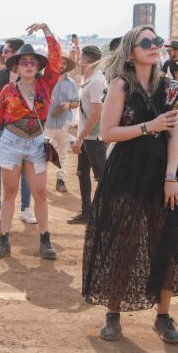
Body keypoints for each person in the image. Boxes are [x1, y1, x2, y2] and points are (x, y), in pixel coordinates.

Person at [82, 25, 178, 344]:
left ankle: (163, 316)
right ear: (131, 52)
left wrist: (171, 177)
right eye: (147, 42)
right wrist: (148, 126)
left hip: (163, 174)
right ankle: (113, 315)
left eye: (157, 41)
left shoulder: (170, 87)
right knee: (122, 242)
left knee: (167, 243)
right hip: (127, 171)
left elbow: (174, 137)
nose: (155, 45)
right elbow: (108, 132)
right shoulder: (120, 85)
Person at [0, 22, 62, 260]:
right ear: (16, 66)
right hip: (10, 143)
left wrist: (47, 31)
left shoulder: (46, 84)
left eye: (33, 62)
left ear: (38, 67)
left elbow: (56, 58)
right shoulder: (8, 90)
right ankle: (4, 238)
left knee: (40, 193)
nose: (28, 65)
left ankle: (45, 239)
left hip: (36, 143)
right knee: (9, 192)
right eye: (23, 62)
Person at [0, 37, 35, 225]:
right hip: (1, 131)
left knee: (26, 171)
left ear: (16, 54)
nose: (3, 55)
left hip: (25, 134)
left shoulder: (31, 76)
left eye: (6, 52)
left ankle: (26, 209)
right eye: (3, 52)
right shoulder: (3, 74)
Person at [69, 45, 108, 224]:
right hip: (87, 136)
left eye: (80, 59)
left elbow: (96, 113)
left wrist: (80, 137)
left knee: (102, 178)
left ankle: (105, 215)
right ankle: (87, 213)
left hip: (93, 138)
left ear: (85, 61)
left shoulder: (97, 81)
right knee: (82, 173)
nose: (78, 62)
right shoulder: (90, 79)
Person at [44, 55, 79, 193]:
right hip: (47, 123)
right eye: (59, 62)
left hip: (66, 123)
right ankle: (41, 181)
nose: (61, 65)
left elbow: (77, 102)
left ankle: (61, 180)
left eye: (64, 63)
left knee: (63, 153)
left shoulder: (72, 84)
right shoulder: (46, 81)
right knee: (44, 153)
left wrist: (69, 104)